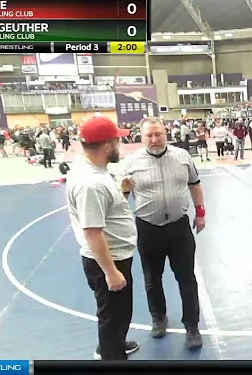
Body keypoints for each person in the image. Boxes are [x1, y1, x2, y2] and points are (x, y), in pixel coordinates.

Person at [121, 116, 206, 350]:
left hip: (179, 227)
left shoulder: (182, 157)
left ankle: (192, 327)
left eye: (158, 134)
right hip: (148, 229)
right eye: (149, 135)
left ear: (165, 133)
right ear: (141, 137)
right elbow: (123, 196)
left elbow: (195, 183)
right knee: (151, 278)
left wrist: (200, 212)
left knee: (186, 278)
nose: (154, 139)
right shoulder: (131, 163)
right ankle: (158, 318)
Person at [65, 116, 139, 360]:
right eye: (117, 141)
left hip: (115, 256)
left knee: (118, 313)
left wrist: (123, 192)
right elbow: (93, 232)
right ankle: (111, 354)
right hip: (110, 260)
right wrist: (110, 272)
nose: (120, 145)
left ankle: (115, 342)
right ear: (108, 146)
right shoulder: (92, 184)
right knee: (113, 315)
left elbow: (106, 214)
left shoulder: (91, 170)